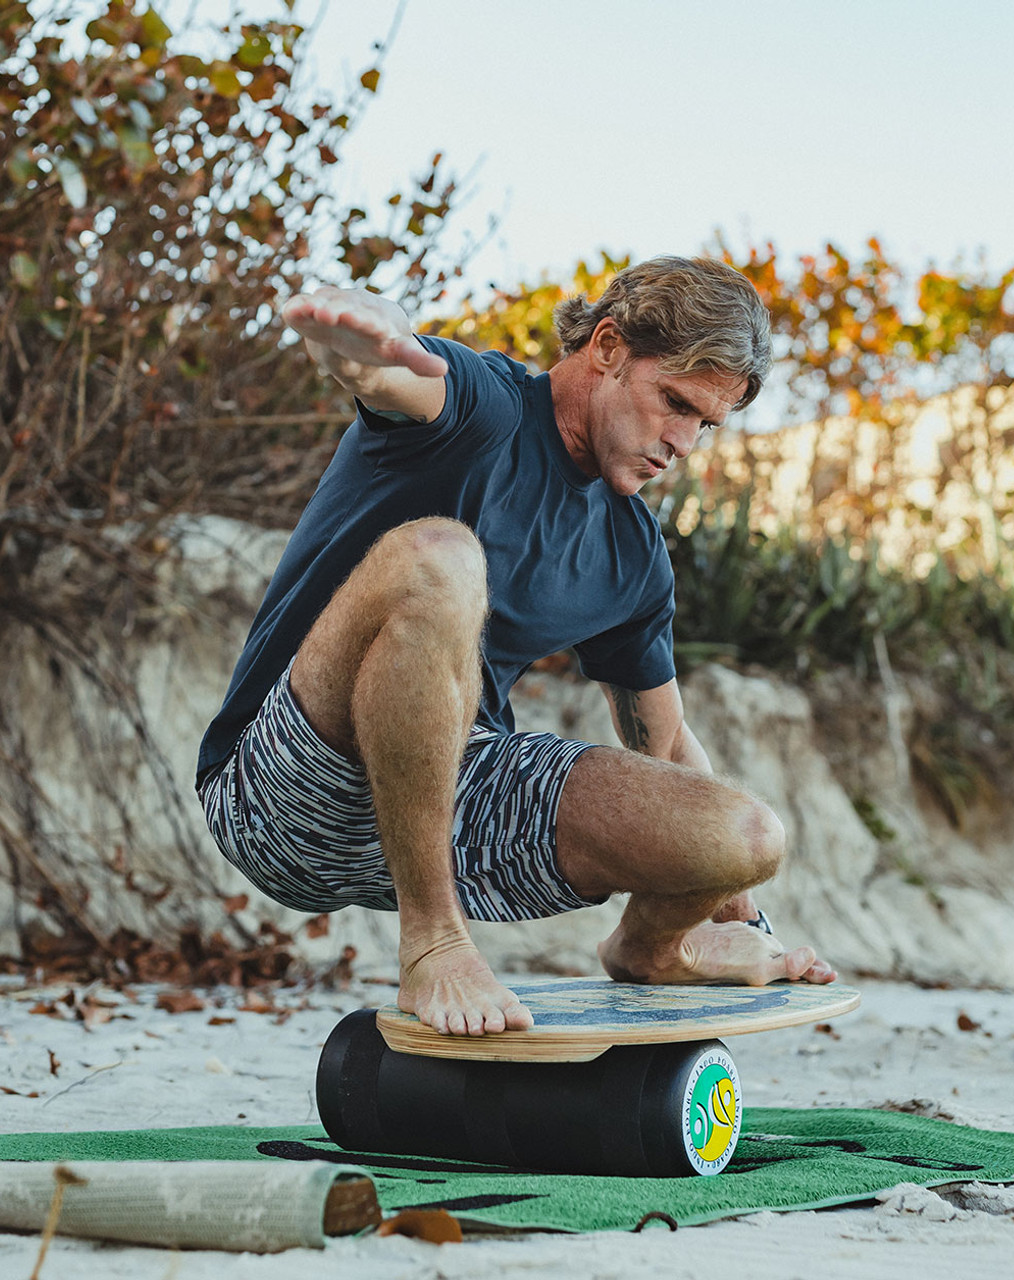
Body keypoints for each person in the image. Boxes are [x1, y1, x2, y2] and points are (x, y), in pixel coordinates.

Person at [196, 256, 835, 1038]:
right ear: (605, 347)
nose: (683, 443)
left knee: (750, 835)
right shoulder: (488, 408)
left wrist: (735, 901)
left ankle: (653, 949)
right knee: (443, 558)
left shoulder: (632, 555)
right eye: (673, 402)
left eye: (705, 422)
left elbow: (663, 740)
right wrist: (360, 343)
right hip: (287, 792)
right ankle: (432, 941)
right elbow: (397, 375)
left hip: (456, 800)